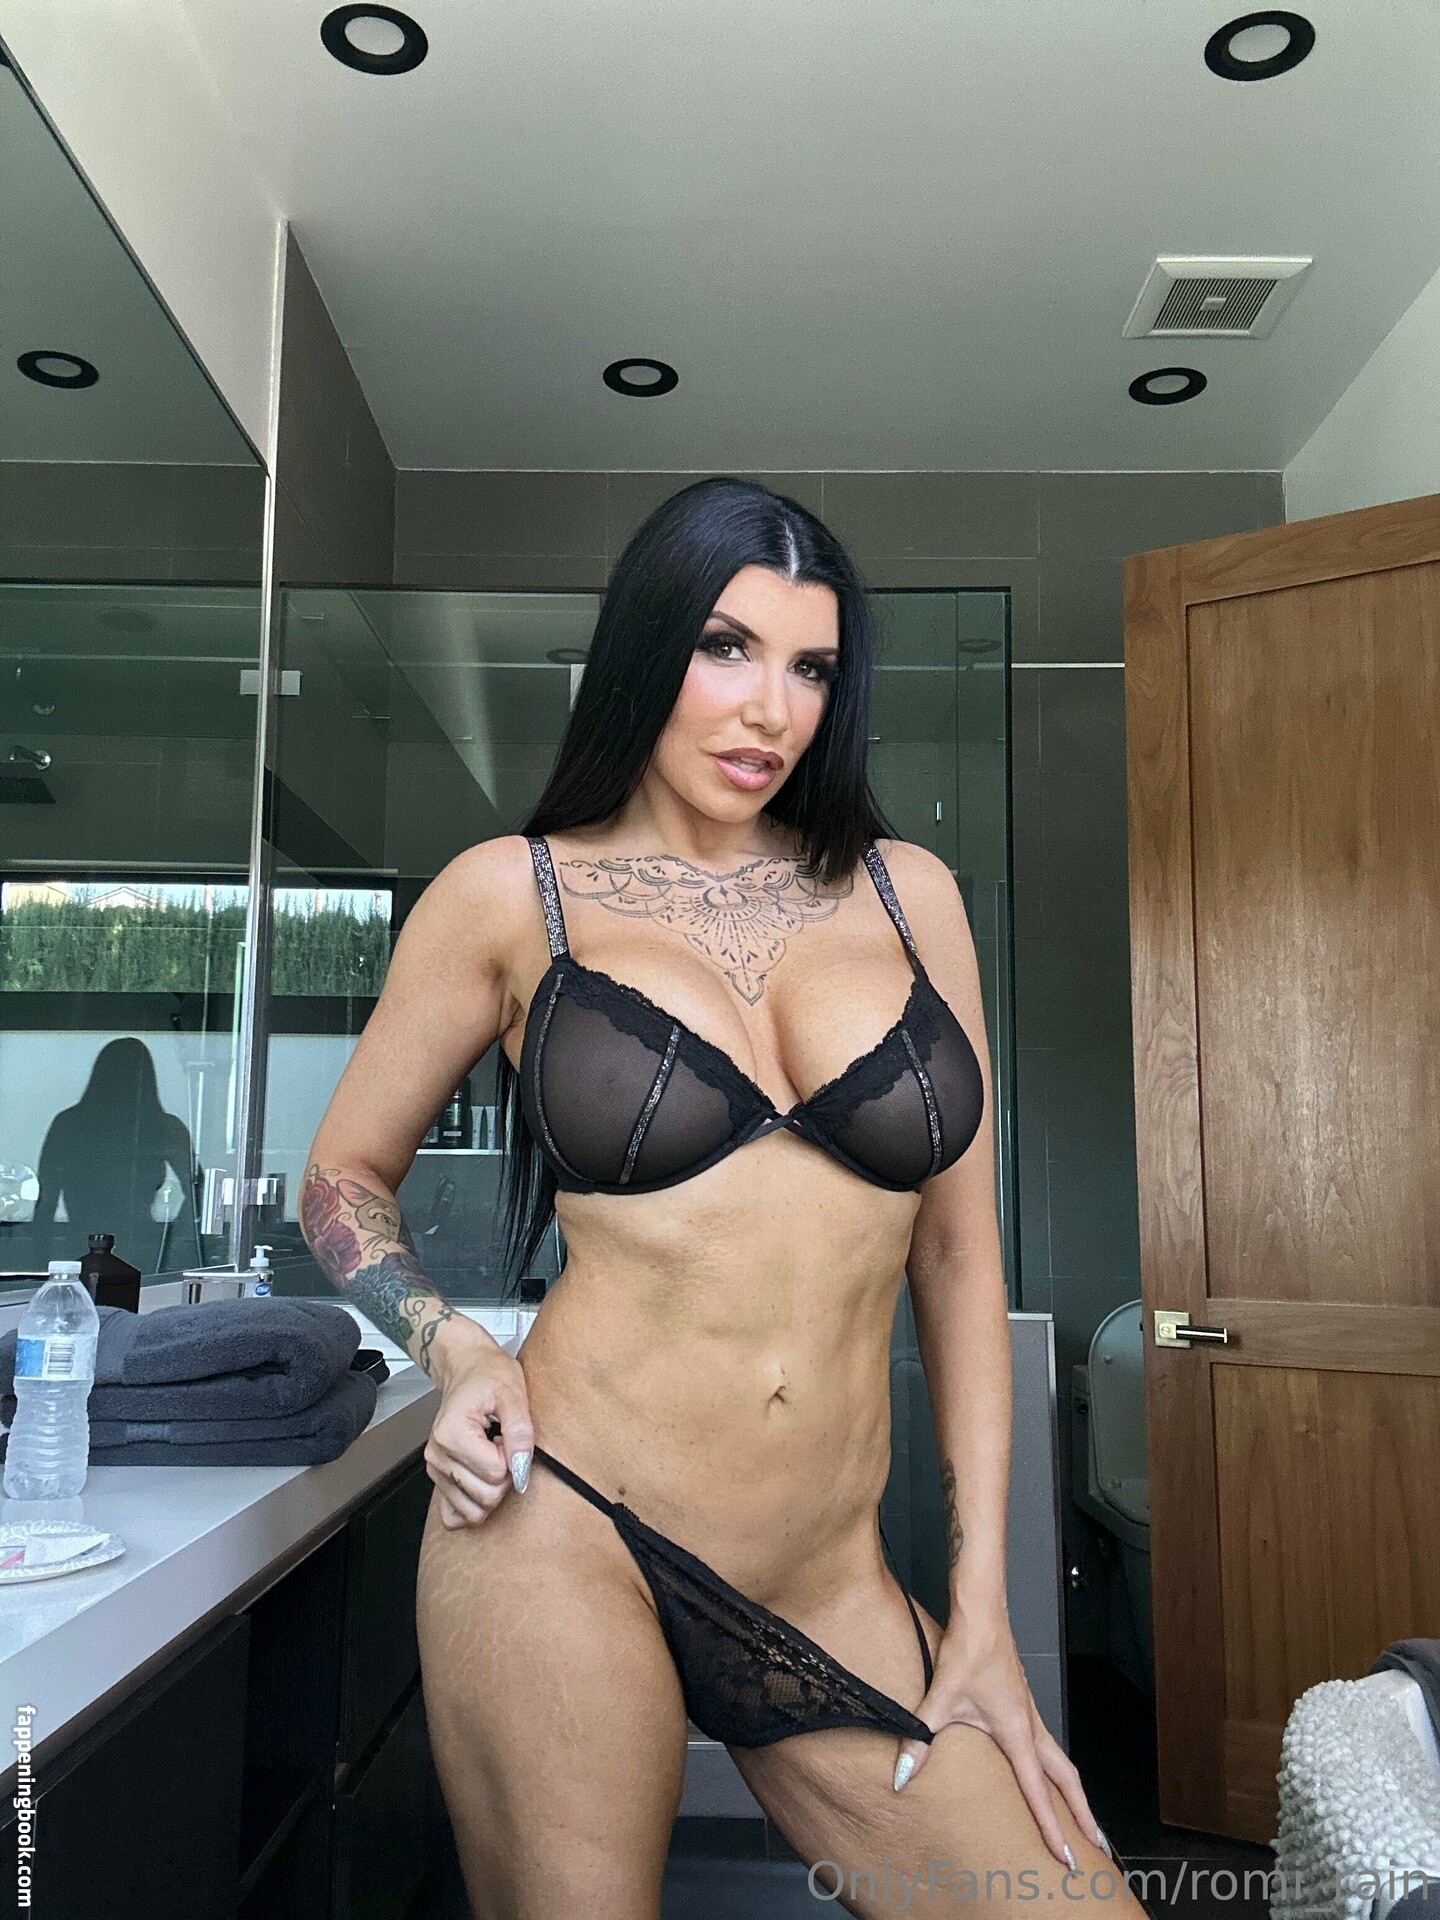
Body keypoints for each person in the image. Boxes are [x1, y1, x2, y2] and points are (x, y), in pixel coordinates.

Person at [301, 479, 1140, 1919]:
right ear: (646, 649)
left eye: (811, 667)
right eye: (725, 648)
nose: (771, 710)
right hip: (563, 1518)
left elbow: (956, 1256)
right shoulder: (511, 896)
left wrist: (984, 1611)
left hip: (827, 1577)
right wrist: (456, 1346)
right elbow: (341, 1177)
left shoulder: (909, 895)